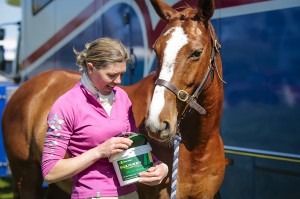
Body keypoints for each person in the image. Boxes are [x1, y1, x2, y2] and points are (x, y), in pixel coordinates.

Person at [41, 37, 168, 199]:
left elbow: (134, 145)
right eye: (112, 75)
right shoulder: (66, 105)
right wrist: (99, 151)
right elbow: (50, 172)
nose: (118, 81)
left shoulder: (122, 97)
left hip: (130, 194)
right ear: (91, 68)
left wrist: (159, 166)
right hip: (93, 194)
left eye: (122, 74)